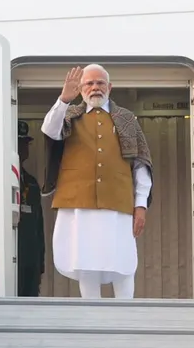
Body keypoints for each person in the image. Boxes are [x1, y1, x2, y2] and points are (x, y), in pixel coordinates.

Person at [40, 64, 153, 299]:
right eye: (89, 83)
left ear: (110, 87)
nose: (95, 88)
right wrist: (64, 99)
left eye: (100, 83)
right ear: (81, 89)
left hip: (118, 202)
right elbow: (50, 130)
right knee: (86, 262)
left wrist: (141, 205)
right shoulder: (69, 115)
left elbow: (141, 164)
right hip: (78, 202)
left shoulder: (126, 118)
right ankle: (91, 314)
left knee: (122, 262)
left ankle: (125, 315)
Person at [15, 121, 46, 297]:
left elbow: (39, 225)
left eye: (26, 143)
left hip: (31, 256)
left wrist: (40, 264)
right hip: (13, 256)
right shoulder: (3, 179)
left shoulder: (31, 182)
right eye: (20, 143)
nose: (24, 148)